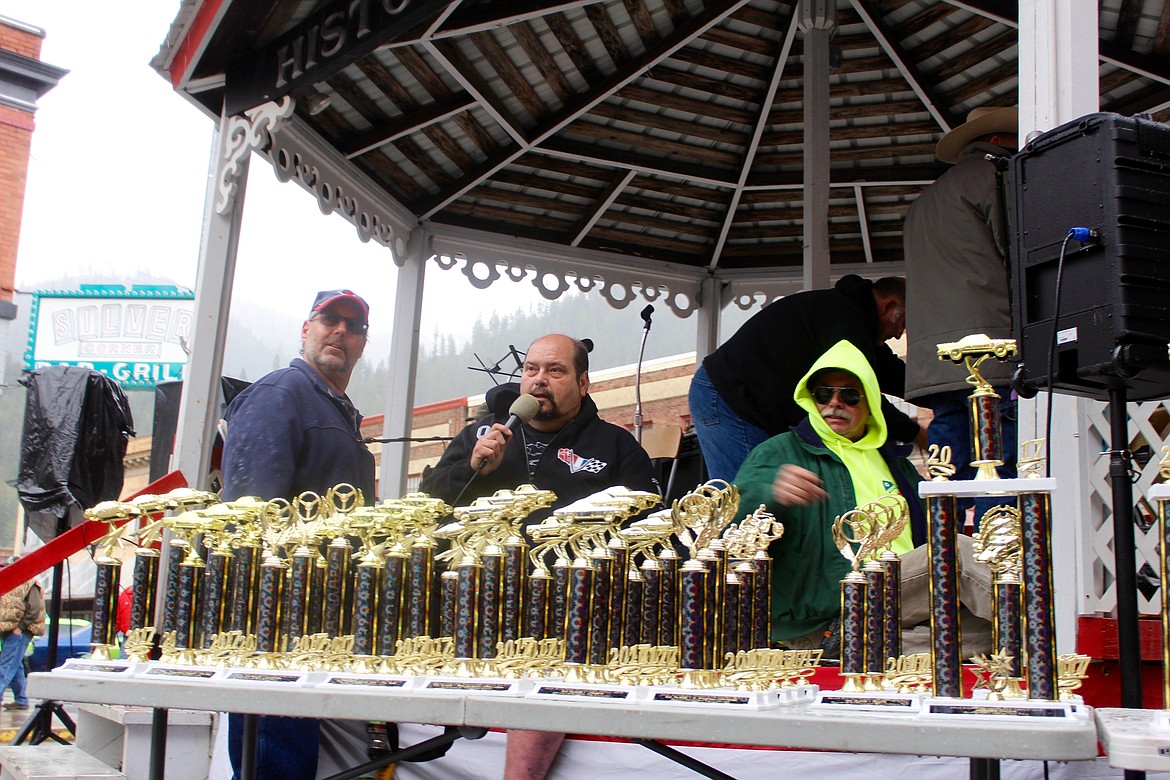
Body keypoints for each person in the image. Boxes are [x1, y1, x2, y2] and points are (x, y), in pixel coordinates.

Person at [421, 333, 660, 780]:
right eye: (531, 369)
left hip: (570, 611)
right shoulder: (482, 435)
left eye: (555, 371)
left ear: (583, 383)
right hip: (476, 600)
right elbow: (429, 505)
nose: (539, 381)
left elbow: (649, 526)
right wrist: (472, 469)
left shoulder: (615, 446)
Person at [733, 340, 991, 655]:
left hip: (901, 597)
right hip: (834, 605)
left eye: (850, 395)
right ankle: (1036, 629)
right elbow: (725, 528)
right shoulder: (781, 451)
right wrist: (768, 494)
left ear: (869, 402)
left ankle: (852, 645)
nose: (834, 403)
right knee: (956, 555)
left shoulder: (896, 464)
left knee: (988, 630)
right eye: (824, 394)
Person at [220, 289, 376, 780]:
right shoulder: (279, 394)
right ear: (305, 329)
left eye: (353, 326)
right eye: (330, 319)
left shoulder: (335, 408)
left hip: (321, 621)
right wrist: (264, 618)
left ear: (363, 345)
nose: (341, 332)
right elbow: (249, 517)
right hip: (278, 622)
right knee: (274, 759)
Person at [689, 274, 924, 484]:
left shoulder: (856, 321)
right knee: (744, 505)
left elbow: (894, 375)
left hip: (750, 403)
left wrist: (943, 391)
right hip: (727, 399)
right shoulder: (843, 320)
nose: (897, 334)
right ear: (889, 306)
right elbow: (864, 396)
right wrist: (915, 433)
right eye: (902, 324)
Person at [904, 106, 1019, 517]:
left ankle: (948, 549)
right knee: (999, 458)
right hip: (991, 346)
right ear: (1002, 140)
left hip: (934, 359)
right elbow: (1018, 252)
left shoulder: (925, 200)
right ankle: (1003, 548)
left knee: (947, 465)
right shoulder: (996, 175)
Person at [0, 571, 44, 712]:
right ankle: (21, 699)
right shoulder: (10, 581)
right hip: (9, 629)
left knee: (6, 666)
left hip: (19, 630)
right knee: (15, 664)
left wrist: (20, 628)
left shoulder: (29, 583)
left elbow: (35, 608)